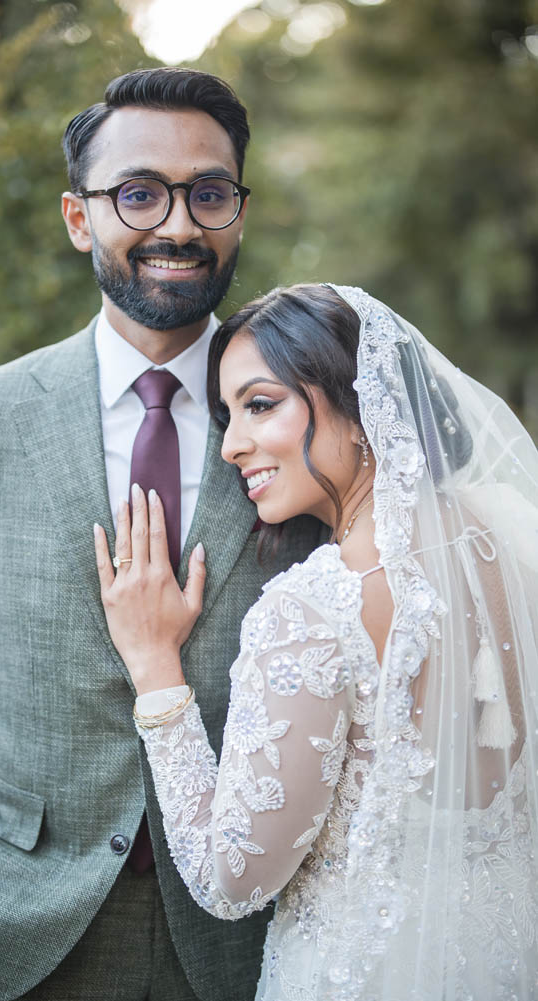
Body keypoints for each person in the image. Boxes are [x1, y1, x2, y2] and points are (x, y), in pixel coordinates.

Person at [0, 70, 323, 1001]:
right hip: (37, 915)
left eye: (208, 192)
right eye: (137, 192)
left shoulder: (304, 414)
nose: (178, 225)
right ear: (80, 218)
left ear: (238, 212)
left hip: (258, 928)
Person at [94, 282, 538, 1001]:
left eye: (259, 404)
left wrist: (154, 668)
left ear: (359, 405)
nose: (231, 443)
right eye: (226, 414)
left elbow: (230, 878)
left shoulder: (314, 609)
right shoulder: (512, 542)